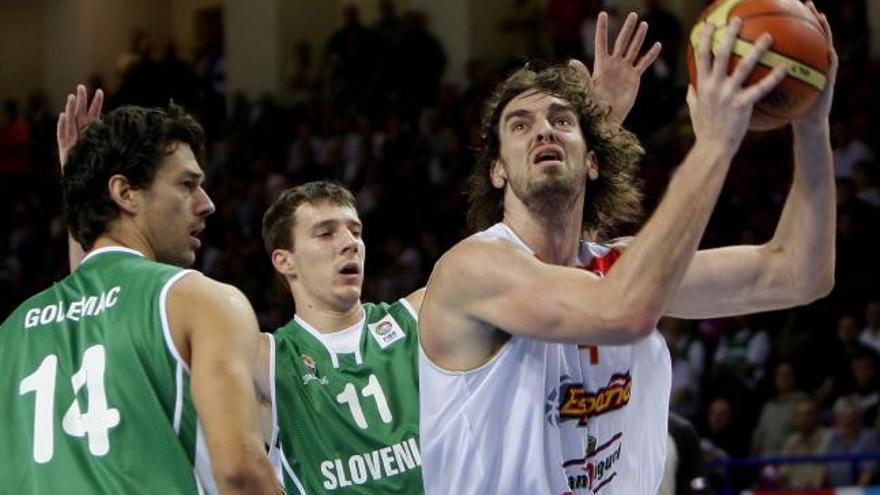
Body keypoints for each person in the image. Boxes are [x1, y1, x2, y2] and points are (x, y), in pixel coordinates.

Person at [418, 3, 837, 494]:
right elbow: (623, 312)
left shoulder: (619, 265)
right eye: (520, 125)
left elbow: (798, 273)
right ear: (497, 171)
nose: (544, 129)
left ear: (593, 161)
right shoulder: (474, 269)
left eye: (561, 120)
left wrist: (811, 123)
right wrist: (714, 146)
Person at [4, 85, 281, 494]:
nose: (207, 203)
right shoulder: (201, 301)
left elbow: (101, 305)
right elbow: (240, 474)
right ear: (124, 193)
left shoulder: (12, 332)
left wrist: (82, 186)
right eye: (187, 184)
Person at [257, 181, 425, 493]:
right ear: (285, 261)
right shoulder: (267, 358)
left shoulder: (417, 318)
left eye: (356, 231)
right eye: (325, 233)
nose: (350, 243)